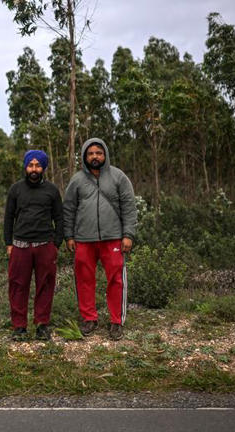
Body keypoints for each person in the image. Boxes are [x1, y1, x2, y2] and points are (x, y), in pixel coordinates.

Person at [63, 138, 137, 340]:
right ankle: (89, 318)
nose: (95, 156)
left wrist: (128, 234)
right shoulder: (77, 180)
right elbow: (68, 209)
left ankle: (116, 322)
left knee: (115, 279)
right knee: (84, 280)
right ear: (85, 157)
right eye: (90, 153)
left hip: (113, 238)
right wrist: (69, 235)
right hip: (83, 239)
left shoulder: (118, 177)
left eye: (98, 153)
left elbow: (129, 207)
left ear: (105, 155)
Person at [4, 150, 63, 341]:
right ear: (26, 166)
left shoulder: (52, 190)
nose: (34, 169)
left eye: (38, 166)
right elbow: (8, 218)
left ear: (44, 168)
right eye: (31, 165)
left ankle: (41, 325)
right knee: (18, 286)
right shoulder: (16, 189)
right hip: (20, 245)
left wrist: (56, 243)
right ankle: (19, 327)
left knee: (45, 285)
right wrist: (8, 242)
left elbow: (59, 217)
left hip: (45, 244)